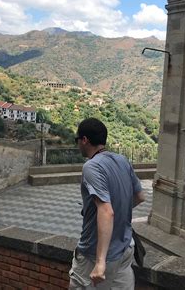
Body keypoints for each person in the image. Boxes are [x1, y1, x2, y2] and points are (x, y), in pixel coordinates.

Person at [69, 118, 146, 289]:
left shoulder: (92, 166)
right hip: (125, 250)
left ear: (84, 140)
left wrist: (100, 262)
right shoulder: (122, 160)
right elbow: (140, 196)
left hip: (95, 255)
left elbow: (106, 211)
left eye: (78, 140)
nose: (78, 145)